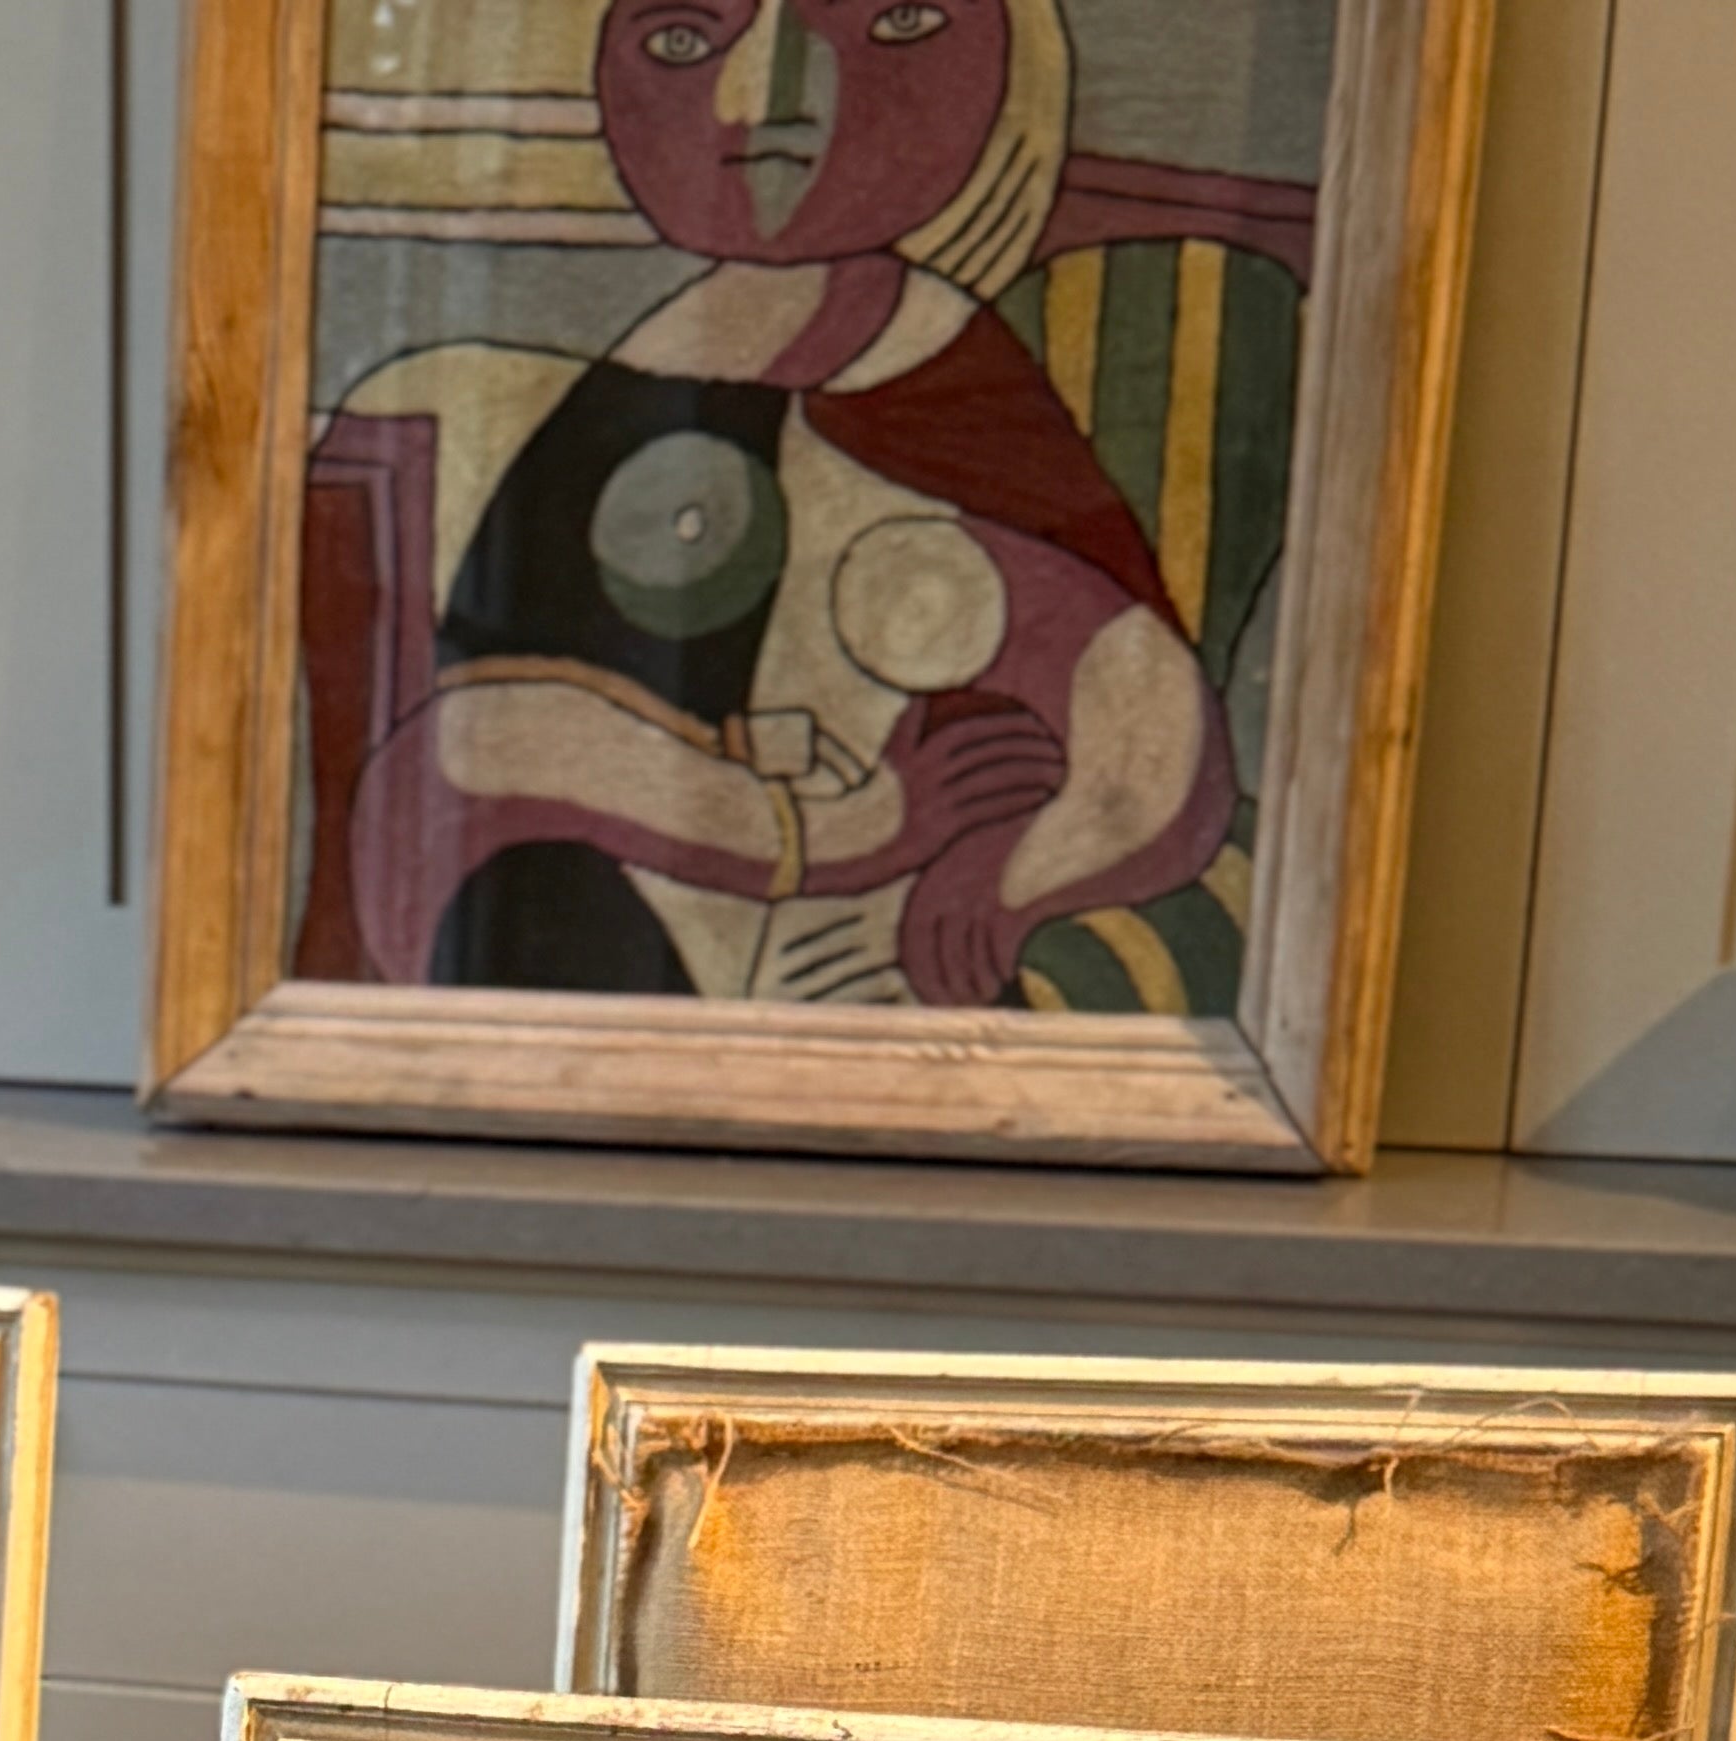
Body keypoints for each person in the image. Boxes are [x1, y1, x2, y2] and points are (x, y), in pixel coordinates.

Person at [299, 0, 1234, 1008]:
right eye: (680, 42)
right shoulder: (630, 389)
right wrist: (821, 834)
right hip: (589, 962)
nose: (763, 107)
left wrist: (1008, 881)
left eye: (896, 24)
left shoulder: (946, 394)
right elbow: (461, 757)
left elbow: (1148, 727)